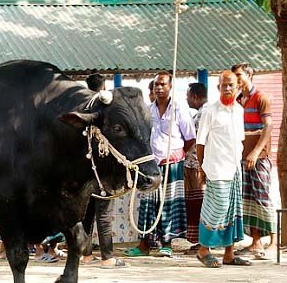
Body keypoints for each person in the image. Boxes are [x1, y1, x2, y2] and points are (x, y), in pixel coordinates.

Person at [126, 71, 196, 257]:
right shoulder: (147, 110)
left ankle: (167, 243)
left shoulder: (179, 109)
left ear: (170, 86)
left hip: (172, 163)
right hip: (151, 164)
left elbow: (190, 139)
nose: (159, 88)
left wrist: (176, 153)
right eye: (156, 84)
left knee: (169, 204)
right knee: (148, 204)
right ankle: (144, 245)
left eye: (163, 84)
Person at [195, 71, 251, 268]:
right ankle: (203, 250)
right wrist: (201, 168)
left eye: (231, 85)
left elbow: (240, 140)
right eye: (223, 85)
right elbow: (200, 142)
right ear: (218, 87)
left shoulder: (239, 110)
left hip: (235, 167)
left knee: (233, 209)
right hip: (216, 167)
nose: (227, 88)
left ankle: (229, 253)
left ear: (238, 88)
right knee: (217, 206)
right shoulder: (210, 110)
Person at [80, 73, 126, 268]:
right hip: (103, 170)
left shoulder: (82, 107)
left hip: (85, 170)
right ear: (104, 87)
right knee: (104, 214)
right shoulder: (106, 108)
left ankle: (86, 255)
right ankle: (107, 257)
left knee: (87, 214)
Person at [231, 63, 277, 259]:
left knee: (263, 198)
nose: (237, 79)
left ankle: (275, 242)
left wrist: (256, 152)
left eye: (239, 75)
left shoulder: (262, 98)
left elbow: (268, 126)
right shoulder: (239, 100)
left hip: (259, 157)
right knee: (248, 200)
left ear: (250, 75)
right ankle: (255, 241)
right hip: (242, 155)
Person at [184, 83, 208, 252]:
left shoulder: (203, 114)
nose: (186, 99)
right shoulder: (203, 113)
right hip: (197, 163)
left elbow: (195, 141)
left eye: (188, 96)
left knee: (199, 202)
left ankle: (203, 240)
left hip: (196, 164)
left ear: (194, 97)